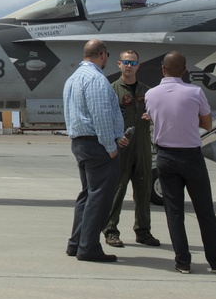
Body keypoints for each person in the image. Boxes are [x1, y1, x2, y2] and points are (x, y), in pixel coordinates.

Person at [145, 51, 216, 274]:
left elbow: (153, 117)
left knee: (174, 212)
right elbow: (207, 124)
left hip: (165, 157)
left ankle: (182, 261)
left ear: (162, 68)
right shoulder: (195, 92)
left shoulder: (151, 94)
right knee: (204, 210)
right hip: (190, 157)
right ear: (184, 70)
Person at [63, 39, 128, 262]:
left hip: (80, 143)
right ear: (102, 55)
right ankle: (89, 247)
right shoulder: (96, 80)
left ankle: (76, 243)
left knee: (87, 195)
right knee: (100, 198)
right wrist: (110, 146)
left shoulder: (72, 79)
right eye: (107, 56)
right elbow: (100, 116)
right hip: (97, 145)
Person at [103, 50, 160, 248]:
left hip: (142, 145)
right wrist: (114, 139)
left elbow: (160, 114)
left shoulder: (149, 92)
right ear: (118, 64)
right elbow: (106, 119)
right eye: (125, 62)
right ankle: (110, 231)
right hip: (122, 146)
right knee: (117, 189)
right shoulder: (111, 90)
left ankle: (143, 231)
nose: (129, 65)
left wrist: (152, 117)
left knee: (143, 189)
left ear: (138, 65)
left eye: (132, 62)